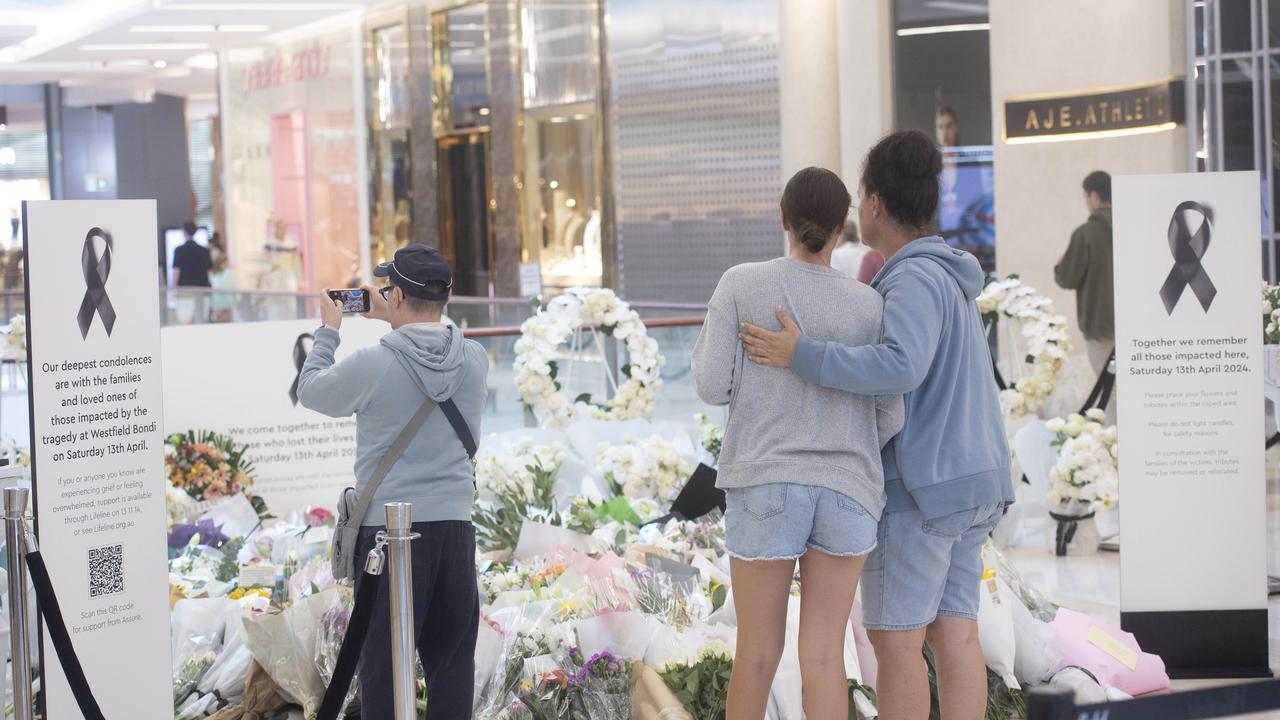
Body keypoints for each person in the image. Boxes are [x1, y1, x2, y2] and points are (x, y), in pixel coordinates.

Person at [740, 130, 1013, 720]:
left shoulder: (911, 278)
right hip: (976, 480)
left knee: (896, 642)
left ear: (871, 205)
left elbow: (900, 367)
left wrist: (803, 354)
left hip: (923, 490)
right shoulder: (950, 274)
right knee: (956, 635)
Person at [694, 167, 904, 720]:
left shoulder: (741, 284)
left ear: (782, 218)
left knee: (757, 653)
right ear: (843, 228)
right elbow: (891, 412)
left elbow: (712, 385)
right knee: (824, 655)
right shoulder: (869, 305)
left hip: (764, 481)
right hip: (850, 488)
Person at [297, 244, 489, 720]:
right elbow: (427, 345)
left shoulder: (372, 363)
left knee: (383, 668)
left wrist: (328, 330)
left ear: (397, 294)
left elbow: (312, 389)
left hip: (392, 536)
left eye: (389, 290)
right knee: (451, 665)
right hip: (454, 529)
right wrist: (396, 314)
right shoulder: (474, 360)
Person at [1055, 170, 1114, 375]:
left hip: (1099, 325)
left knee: (1109, 390)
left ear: (1094, 196)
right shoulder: (1132, 227)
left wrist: (1060, 263)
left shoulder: (1086, 233)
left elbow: (1066, 278)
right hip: (1132, 322)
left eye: (1086, 197)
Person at [171, 220, 212, 288]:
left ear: (184, 231)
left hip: (185, 289)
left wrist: (173, 288)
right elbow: (209, 271)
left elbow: (176, 271)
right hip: (202, 288)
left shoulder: (179, 250)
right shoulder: (204, 250)